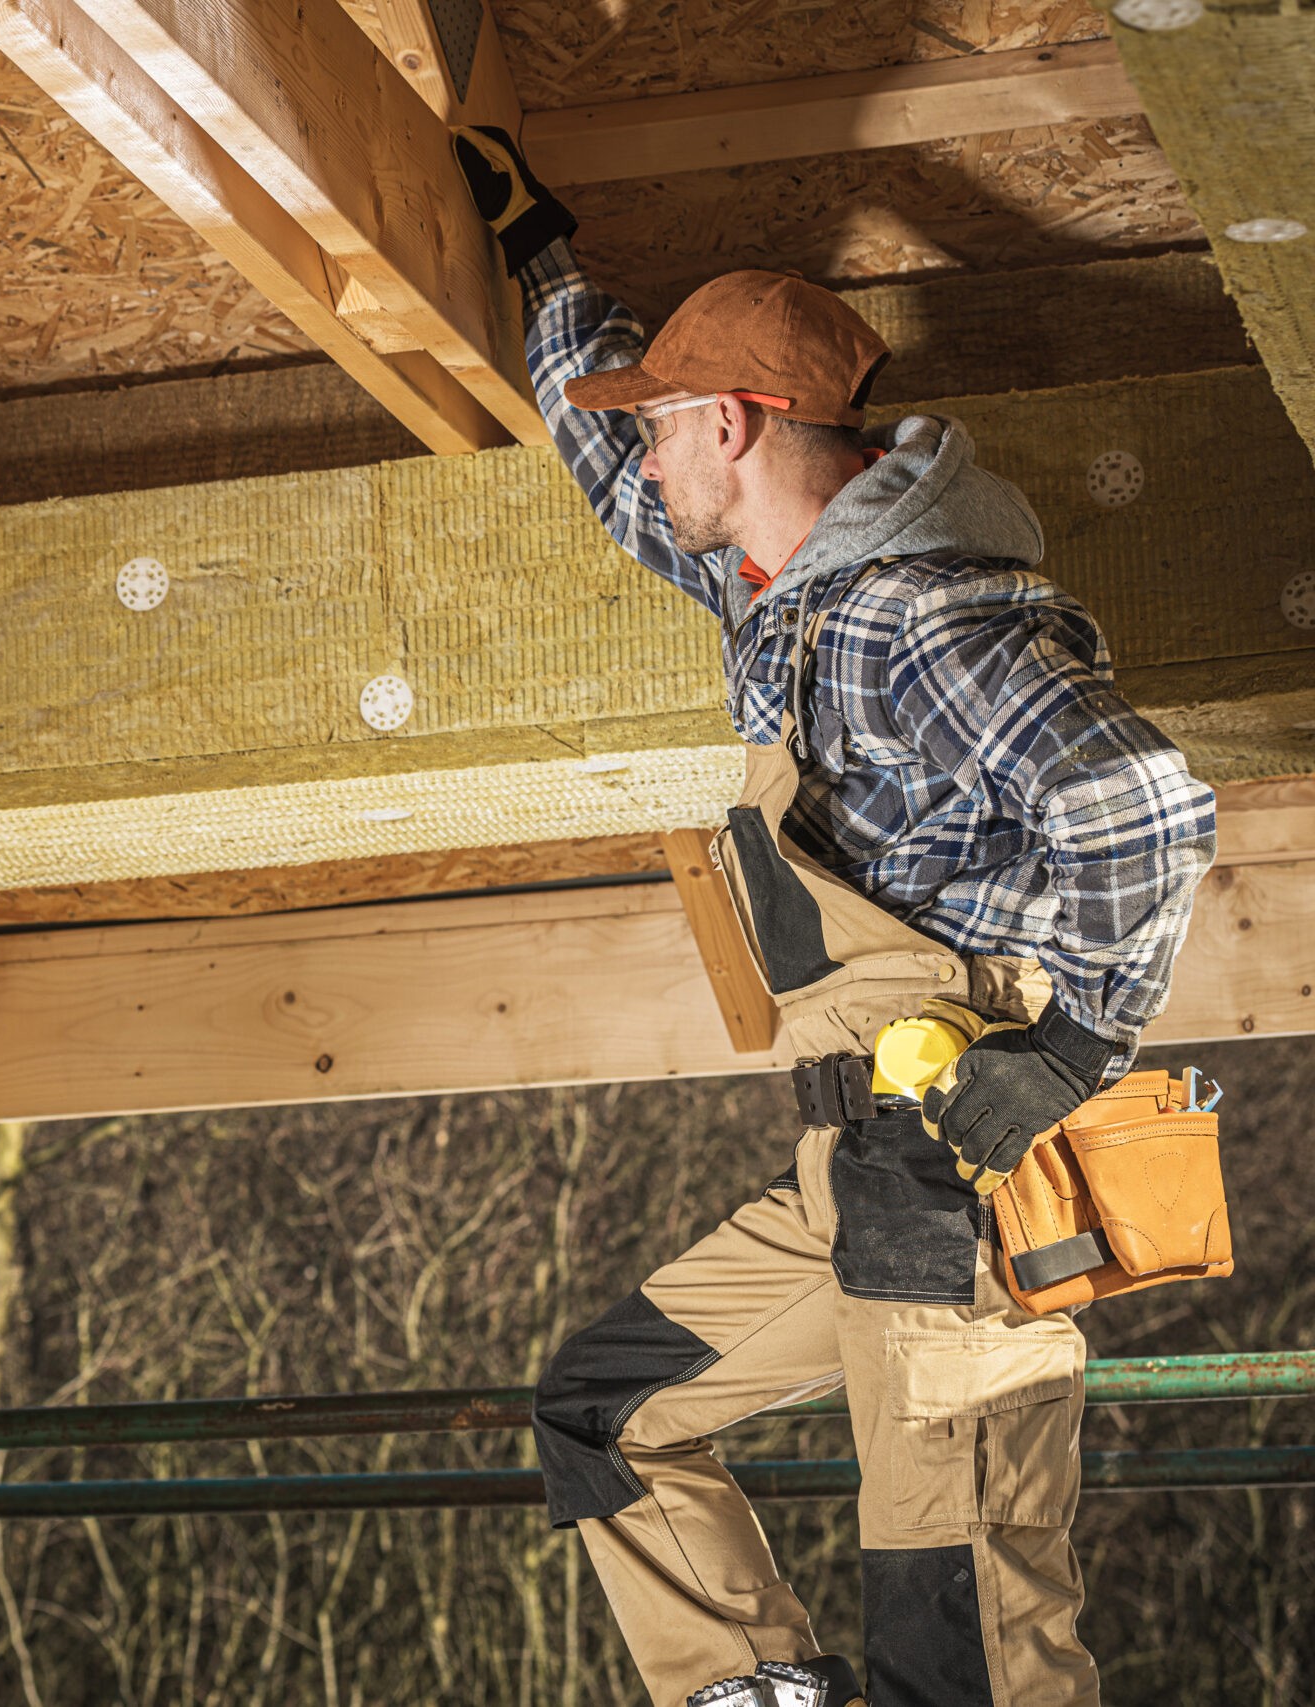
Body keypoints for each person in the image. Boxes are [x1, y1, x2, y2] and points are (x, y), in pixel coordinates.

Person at [449, 131, 1219, 1707]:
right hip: (852, 1174)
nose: (648, 457)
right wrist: (543, 254)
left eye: (666, 425)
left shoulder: (917, 613)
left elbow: (1142, 802)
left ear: (734, 423)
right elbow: (614, 476)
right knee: (605, 1417)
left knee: (963, 1631)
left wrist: (1069, 1054)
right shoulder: (776, 597)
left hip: (962, 1174)